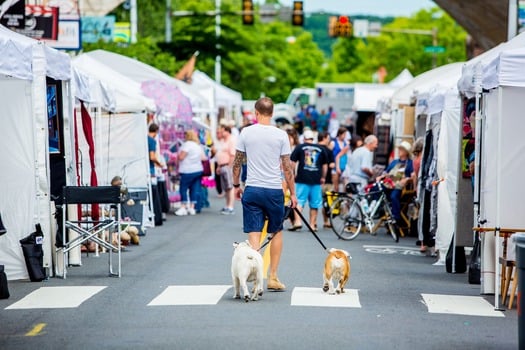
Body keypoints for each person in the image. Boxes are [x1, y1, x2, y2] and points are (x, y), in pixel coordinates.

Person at [233, 97, 297, 291]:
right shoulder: (281, 135)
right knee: (276, 231)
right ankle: (273, 277)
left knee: (255, 235)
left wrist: (236, 185)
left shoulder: (246, 132)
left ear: (256, 112)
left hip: (252, 188)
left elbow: (237, 162)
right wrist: (292, 193)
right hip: (273, 190)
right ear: (272, 113)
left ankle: (255, 278)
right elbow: (287, 168)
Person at [289, 129, 328, 232]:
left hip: (302, 179)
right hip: (316, 180)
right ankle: (312, 225)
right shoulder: (320, 148)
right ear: (313, 139)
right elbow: (325, 166)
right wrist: (323, 177)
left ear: (304, 138)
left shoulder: (299, 147)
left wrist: (292, 175)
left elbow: (292, 163)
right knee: (315, 204)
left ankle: (298, 222)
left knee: (299, 201)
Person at [378, 141, 414, 227]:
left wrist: (407, 179)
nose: (399, 151)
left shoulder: (409, 163)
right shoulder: (394, 161)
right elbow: (385, 172)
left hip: (398, 187)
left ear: (406, 152)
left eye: (401, 149)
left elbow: (413, 175)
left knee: (394, 196)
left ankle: (396, 218)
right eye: (399, 149)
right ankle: (379, 210)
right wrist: (382, 176)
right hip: (389, 184)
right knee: (377, 190)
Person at [175, 130, 207, 216]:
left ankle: (183, 206)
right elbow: (204, 158)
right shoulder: (198, 146)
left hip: (187, 170)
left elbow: (181, 157)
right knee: (194, 189)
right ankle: (192, 207)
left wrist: (178, 155)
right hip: (198, 170)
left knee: (183, 188)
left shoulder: (186, 145)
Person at [316, 131, 335, 228]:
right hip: (327, 180)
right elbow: (331, 164)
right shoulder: (328, 151)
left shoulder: (314, 149)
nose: (329, 140)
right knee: (327, 202)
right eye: (328, 138)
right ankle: (326, 221)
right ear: (324, 137)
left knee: (315, 202)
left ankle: (313, 222)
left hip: (315, 180)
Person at [216, 125, 236, 215]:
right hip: (222, 165)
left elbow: (233, 154)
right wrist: (219, 166)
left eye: (223, 131)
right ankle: (227, 205)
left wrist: (229, 166)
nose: (221, 133)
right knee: (226, 187)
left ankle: (230, 206)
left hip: (227, 165)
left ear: (227, 131)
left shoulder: (231, 140)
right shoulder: (223, 141)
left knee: (230, 187)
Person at [148, 123, 164, 226]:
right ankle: (156, 217)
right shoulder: (152, 141)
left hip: (143, 169)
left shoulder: (144, 139)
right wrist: (159, 164)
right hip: (150, 170)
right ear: (156, 131)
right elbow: (152, 157)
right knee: (154, 195)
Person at [331, 127, 350, 192]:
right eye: (343, 134)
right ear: (339, 134)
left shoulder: (346, 143)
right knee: (335, 186)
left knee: (345, 185)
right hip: (335, 166)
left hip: (343, 165)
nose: (344, 136)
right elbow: (330, 154)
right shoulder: (333, 143)